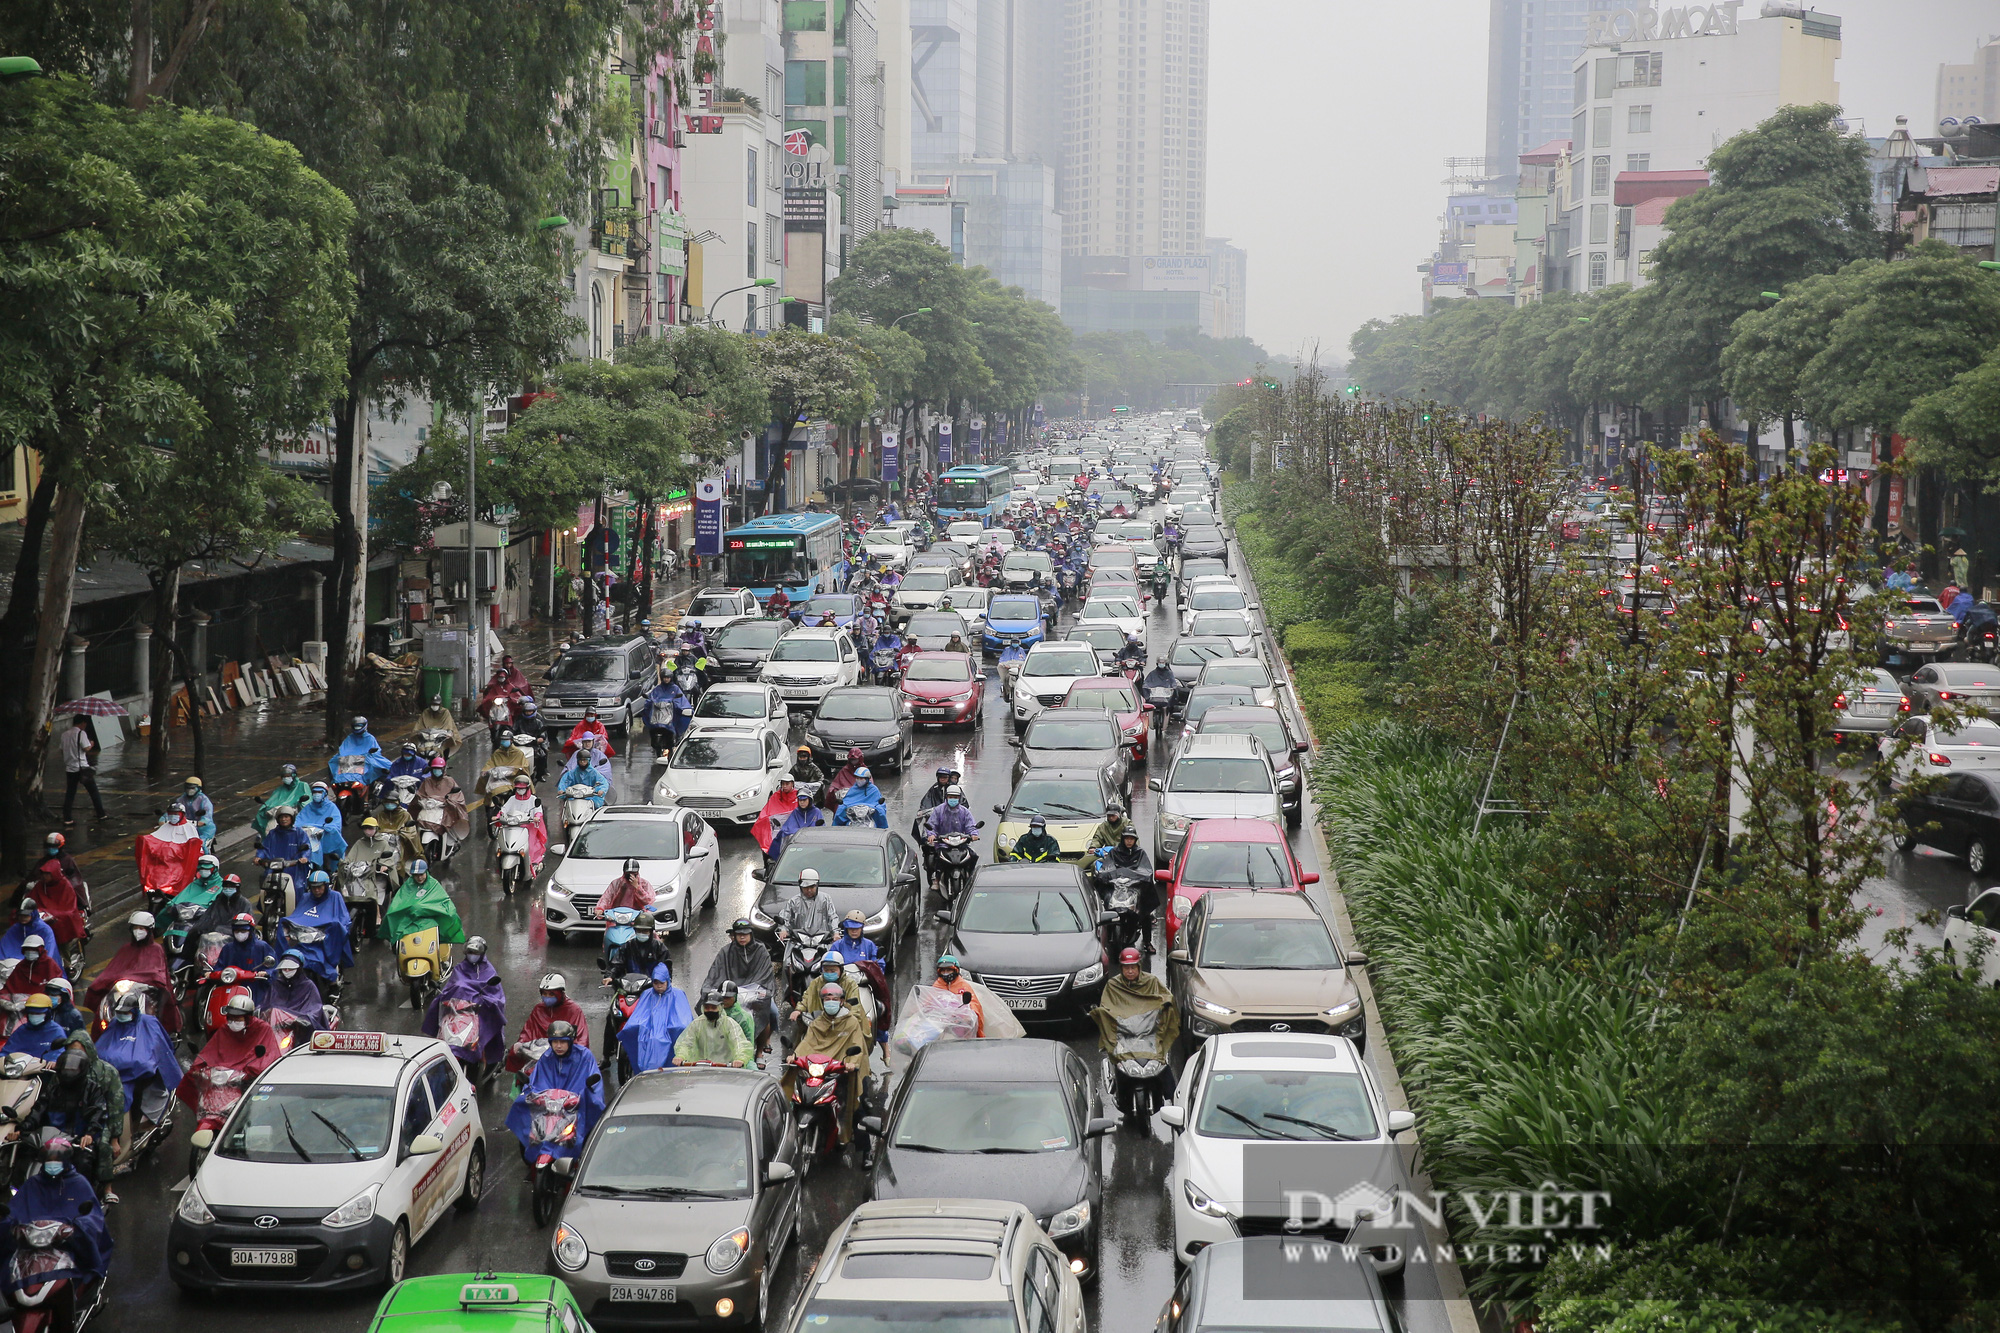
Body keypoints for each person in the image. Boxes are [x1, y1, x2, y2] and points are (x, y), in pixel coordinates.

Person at [2, 1137, 111, 1286]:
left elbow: (93, 1216)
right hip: (32, 1246)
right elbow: (15, 1210)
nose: (52, 1164)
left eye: (57, 1160)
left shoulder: (79, 1183)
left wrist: (78, 1227)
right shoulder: (33, 1184)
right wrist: (7, 1221)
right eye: (49, 1160)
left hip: (66, 1246)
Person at [31, 1035, 124, 1198]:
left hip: (97, 1119)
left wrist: (114, 1138)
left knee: (101, 1146)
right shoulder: (63, 1072)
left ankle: (106, 1188)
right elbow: (46, 1102)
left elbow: (114, 1105)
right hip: (66, 1122)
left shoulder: (107, 1072)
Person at [95, 989, 181, 1164]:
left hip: (135, 1076)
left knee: (120, 1099)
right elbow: (101, 1049)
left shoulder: (149, 1025)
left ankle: (122, 1137)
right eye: (119, 1013)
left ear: (134, 1011)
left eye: (125, 1013)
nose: (122, 1016)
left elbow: (157, 1050)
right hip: (110, 1074)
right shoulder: (114, 1025)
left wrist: (138, 1064)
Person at [505, 1021, 602, 1173]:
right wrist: (531, 1092)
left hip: (575, 1107)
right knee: (522, 1106)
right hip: (550, 1106)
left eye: (562, 1042)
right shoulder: (547, 1058)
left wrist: (586, 1094)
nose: (558, 1046)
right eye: (555, 1042)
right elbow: (537, 1082)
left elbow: (594, 1082)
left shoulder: (585, 1056)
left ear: (570, 1041)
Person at [1091, 947, 1178, 1114]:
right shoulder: (1113, 985)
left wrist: (1165, 1008)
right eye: (1126, 967)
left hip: (1149, 1032)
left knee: (1162, 1064)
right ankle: (1116, 1089)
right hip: (1123, 1034)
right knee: (1118, 1061)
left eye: (1133, 967)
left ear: (1139, 966)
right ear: (1122, 968)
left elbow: (1167, 998)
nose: (1130, 971)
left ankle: (1176, 1102)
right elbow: (1106, 1007)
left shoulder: (1151, 981)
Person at [786, 982, 872, 1149]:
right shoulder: (818, 1022)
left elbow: (857, 1048)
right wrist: (794, 1056)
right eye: (827, 999)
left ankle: (865, 1150)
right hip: (822, 1070)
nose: (831, 1001)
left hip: (843, 1071)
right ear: (822, 1001)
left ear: (842, 1001)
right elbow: (807, 1043)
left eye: (835, 998)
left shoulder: (851, 1023)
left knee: (856, 1107)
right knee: (793, 1100)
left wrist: (851, 1064)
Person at [177, 992, 280, 1114]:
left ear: (248, 1017)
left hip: (246, 1080)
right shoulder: (225, 1030)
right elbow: (210, 1051)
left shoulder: (263, 1029)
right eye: (231, 1018)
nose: (233, 1021)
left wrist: (249, 1071)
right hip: (222, 1080)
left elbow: (269, 1056)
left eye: (238, 1018)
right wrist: (200, 1067)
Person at [84, 913, 177, 1033]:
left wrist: (149, 980)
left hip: (146, 992)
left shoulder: (156, 949)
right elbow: (113, 970)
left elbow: (157, 971)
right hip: (124, 990)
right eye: (135, 928)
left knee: (156, 1011)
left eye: (142, 928)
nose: (138, 931)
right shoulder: (126, 949)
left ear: (149, 930)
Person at [422, 936, 506, 1065]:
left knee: (486, 1030)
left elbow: (496, 996)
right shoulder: (459, 969)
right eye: (470, 953)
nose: (473, 955)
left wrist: (487, 1001)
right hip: (458, 1013)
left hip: (478, 1013)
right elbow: (450, 989)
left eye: (476, 953)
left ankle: (486, 1059)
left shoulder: (489, 971)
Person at [703, 919, 778, 1056]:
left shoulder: (761, 951)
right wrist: (709, 989)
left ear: (751, 934)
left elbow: (766, 975)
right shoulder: (725, 952)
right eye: (739, 934)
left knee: (772, 1012)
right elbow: (715, 974)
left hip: (755, 992)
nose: (742, 937)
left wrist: (763, 992)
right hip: (730, 993)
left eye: (746, 934)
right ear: (734, 935)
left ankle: (760, 1049)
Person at [276, 869, 354, 987]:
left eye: (320, 887)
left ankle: (333, 977)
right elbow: (297, 915)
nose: (317, 890)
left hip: (325, 938)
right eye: (313, 887)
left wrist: (335, 928)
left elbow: (343, 919)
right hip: (305, 936)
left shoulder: (335, 897)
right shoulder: (306, 897)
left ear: (326, 886)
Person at [617, 963, 694, 1074]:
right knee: (632, 1031)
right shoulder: (647, 994)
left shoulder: (678, 994)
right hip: (649, 1030)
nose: (658, 986)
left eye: (661, 983)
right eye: (655, 983)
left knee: (677, 1031)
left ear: (667, 981)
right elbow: (639, 1015)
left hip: (668, 1030)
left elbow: (684, 1020)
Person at [508, 973, 590, 1075]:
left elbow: (581, 1039)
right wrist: (521, 1046)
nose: (547, 997)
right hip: (538, 1059)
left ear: (560, 993)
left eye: (551, 994)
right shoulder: (539, 1009)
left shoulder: (573, 1010)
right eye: (544, 994)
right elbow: (527, 1032)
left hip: (564, 1059)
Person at [382, 861, 466, 952]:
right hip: (410, 919)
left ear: (426, 872)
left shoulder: (433, 885)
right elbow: (399, 902)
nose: (419, 877)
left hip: (431, 918)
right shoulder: (408, 886)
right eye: (416, 875)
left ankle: (442, 956)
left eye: (421, 874)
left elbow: (443, 901)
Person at [135, 802, 204, 897]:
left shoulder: (189, 828)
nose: (173, 816)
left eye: (176, 814)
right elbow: (153, 841)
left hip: (180, 865)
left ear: (182, 814)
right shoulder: (164, 827)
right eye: (171, 814)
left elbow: (196, 850)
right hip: (163, 865)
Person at [211, 913, 278, 1008]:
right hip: (230, 989)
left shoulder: (262, 947)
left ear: (251, 931)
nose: (239, 933)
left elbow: (274, 968)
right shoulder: (228, 948)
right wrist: (213, 973)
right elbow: (219, 967)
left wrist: (266, 973)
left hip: (256, 989)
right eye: (237, 930)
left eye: (243, 930)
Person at [673, 989, 753, 1067]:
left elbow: (739, 1043)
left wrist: (740, 1059)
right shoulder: (697, 1024)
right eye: (707, 1007)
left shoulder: (729, 1024)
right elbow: (687, 1043)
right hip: (701, 1069)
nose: (710, 1010)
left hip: (726, 1070)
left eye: (713, 1007)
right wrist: (680, 1056)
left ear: (721, 1007)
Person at [254, 806, 313, 908]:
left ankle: (298, 910)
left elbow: (306, 847)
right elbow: (264, 848)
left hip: (293, 868)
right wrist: (259, 857)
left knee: (297, 887)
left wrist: (304, 857)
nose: (284, 819)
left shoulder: (299, 833)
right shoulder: (273, 834)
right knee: (266, 885)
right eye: (281, 817)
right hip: (275, 867)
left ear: (292, 818)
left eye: (286, 817)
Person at [492, 777, 550, 878]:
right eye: (518, 788)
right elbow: (504, 809)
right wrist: (497, 816)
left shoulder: (533, 799)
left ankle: (532, 864)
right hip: (512, 826)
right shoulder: (512, 799)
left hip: (528, 828)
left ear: (528, 788)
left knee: (529, 846)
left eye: (522, 788)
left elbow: (538, 811)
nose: (520, 790)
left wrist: (536, 817)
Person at [58, 715, 108, 827]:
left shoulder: (64, 734)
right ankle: (101, 814)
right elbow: (86, 748)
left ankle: (67, 818)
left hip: (70, 768)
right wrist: (91, 744)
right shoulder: (81, 733)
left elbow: (62, 750)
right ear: (82, 723)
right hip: (82, 768)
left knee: (70, 793)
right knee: (93, 792)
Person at [264, 950, 329, 1035]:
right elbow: (266, 1005)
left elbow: (315, 1008)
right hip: (277, 1028)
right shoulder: (276, 984)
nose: (287, 970)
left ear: (299, 968)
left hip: (300, 1028)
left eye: (291, 968)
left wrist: (304, 1019)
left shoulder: (308, 985)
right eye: (284, 968)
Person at [415, 757, 472, 851]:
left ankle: (452, 842)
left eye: (439, 769)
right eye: (434, 769)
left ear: (443, 769)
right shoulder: (427, 781)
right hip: (429, 809)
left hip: (445, 809)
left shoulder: (449, 781)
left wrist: (449, 801)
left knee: (450, 819)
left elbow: (457, 796)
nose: (437, 771)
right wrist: (421, 800)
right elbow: (420, 794)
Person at [773, 868, 841, 944]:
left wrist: (835, 932)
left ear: (817, 885)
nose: (809, 890)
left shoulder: (825, 899)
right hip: (799, 942)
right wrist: (783, 930)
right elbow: (784, 917)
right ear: (800, 886)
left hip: (822, 941)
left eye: (812, 887)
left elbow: (832, 916)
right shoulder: (794, 901)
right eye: (806, 887)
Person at [294, 781, 350, 870]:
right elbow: (298, 822)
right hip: (309, 840)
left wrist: (325, 828)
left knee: (327, 863)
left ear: (325, 794)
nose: (317, 794)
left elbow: (335, 826)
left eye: (319, 792)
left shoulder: (332, 808)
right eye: (315, 792)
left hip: (325, 841)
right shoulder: (308, 807)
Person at [330, 715, 392, 789]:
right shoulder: (349, 738)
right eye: (355, 726)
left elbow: (376, 753)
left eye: (359, 726)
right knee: (332, 762)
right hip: (350, 760)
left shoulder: (370, 738)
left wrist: (369, 755)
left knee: (386, 768)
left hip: (365, 761)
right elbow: (343, 749)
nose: (357, 728)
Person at [767, 788, 825, 867]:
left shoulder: (816, 811)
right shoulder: (796, 812)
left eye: (804, 800)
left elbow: (821, 828)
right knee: (780, 835)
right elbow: (788, 827)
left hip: (813, 843)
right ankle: (780, 860)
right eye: (800, 800)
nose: (802, 802)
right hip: (797, 841)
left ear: (810, 800)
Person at [0, 900, 62, 975]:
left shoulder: (44, 930)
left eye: (26, 915)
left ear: (33, 914)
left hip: (37, 967)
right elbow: (3, 946)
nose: (22, 918)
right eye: (20, 915)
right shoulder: (15, 928)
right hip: (12, 968)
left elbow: (50, 951)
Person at [931, 953, 985, 1036]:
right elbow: (928, 1002)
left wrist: (969, 1015)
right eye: (943, 971)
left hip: (959, 1024)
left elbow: (973, 1003)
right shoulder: (937, 985)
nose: (946, 973)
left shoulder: (963, 985)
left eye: (948, 970)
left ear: (955, 970)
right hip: (941, 1024)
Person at [1, 994, 68, 1059]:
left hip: (43, 1069)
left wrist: (53, 1061)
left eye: (38, 1013)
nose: (34, 1016)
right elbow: (7, 1051)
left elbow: (58, 1053)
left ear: (47, 1013)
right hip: (19, 1068)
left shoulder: (56, 1031)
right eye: (32, 1013)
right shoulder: (22, 1030)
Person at [254, 763, 313, 835]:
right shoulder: (279, 789)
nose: (286, 778)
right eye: (284, 776)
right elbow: (271, 802)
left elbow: (307, 802)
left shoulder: (303, 785)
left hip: (294, 813)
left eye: (288, 776)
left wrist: (297, 804)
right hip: (277, 815)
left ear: (293, 775)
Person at [644, 672, 693, 753]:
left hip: (670, 716)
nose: (666, 679)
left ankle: (675, 740)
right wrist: (649, 702)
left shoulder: (675, 688)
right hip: (658, 715)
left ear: (671, 678)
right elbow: (651, 698)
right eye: (664, 677)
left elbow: (681, 701)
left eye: (668, 677)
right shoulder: (657, 689)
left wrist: (677, 705)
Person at [752, 778, 801, 856]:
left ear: (792, 784)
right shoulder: (776, 796)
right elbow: (767, 812)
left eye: (787, 784)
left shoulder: (799, 796)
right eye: (783, 784)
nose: (784, 786)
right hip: (777, 829)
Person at [556, 747, 611, 818]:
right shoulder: (572, 773)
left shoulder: (594, 773)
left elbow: (603, 783)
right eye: (580, 760)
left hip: (590, 797)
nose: (582, 762)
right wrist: (562, 790)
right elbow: (564, 781)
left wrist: (600, 790)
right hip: (574, 797)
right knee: (565, 811)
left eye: (584, 760)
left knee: (598, 813)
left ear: (588, 760)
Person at [177, 776, 217, 849]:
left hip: (204, 829)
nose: (190, 790)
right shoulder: (181, 799)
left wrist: (199, 822)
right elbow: (174, 810)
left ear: (198, 788)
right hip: (187, 828)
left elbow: (206, 816)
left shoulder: (204, 800)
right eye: (188, 788)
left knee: (201, 844)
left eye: (192, 788)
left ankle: (205, 858)